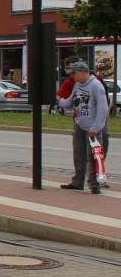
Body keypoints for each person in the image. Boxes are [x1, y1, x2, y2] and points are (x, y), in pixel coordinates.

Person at [57, 61, 109, 194]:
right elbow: (70, 102)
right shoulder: (77, 85)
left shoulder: (96, 85)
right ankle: (77, 181)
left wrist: (96, 127)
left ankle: (94, 184)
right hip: (79, 124)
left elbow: (103, 108)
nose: (72, 76)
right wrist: (59, 101)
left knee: (93, 157)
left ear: (83, 71)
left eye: (74, 73)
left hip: (92, 127)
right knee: (78, 155)